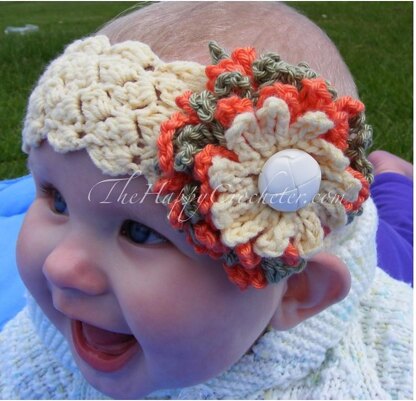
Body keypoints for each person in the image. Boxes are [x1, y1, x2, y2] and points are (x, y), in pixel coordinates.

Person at [0, 2, 412, 399]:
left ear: (293, 292)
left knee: (400, 234)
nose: (60, 266)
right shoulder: (35, 351)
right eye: (57, 200)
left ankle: (392, 175)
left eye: (139, 233)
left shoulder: (391, 369)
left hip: (387, 254)